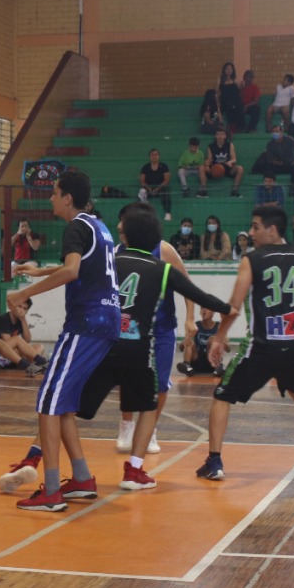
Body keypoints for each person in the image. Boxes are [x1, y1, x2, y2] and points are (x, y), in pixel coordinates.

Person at [79, 205, 234, 491]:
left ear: (126, 232)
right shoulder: (155, 268)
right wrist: (228, 309)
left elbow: (78, 277)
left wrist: (188, 319)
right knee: (147, 394)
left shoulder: (118, 260)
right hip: (140, 340)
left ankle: (55, 464)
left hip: (128, 335)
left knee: (73, 405)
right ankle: (132, 454)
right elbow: (197, 293)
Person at [5, 170, 120, 512]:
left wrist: (24, 292)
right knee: (63, 403)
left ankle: (52, 491)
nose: (51, 199)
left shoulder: (75, 227)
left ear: (68, 198)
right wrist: (41, 271)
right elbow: (81, 265)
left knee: (47, 402)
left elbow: (72, 272)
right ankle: (82, 479)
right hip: (107, 319)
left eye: (55, 193)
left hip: (87, 321)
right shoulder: (98, 226)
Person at [196, 204, 294, 481]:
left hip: (263, 345)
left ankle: (214, 461)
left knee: (222, 395)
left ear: (272, 230)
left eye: (256, 227)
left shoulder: (252, 259)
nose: (251, 232)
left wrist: (218, 338)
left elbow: (234, 306)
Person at [0, 297, 47, 371]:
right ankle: (36, 363)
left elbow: (27, 340)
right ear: (13, 306)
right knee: (17, 339)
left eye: (24, 308)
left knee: (39, 347)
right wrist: (25, 354)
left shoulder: (20, 320)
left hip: (13, 355)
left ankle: (32, 365)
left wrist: (23, 320)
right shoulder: (2, 319)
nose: (21, 310)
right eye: (19, 306)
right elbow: (8, 345)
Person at [179, 306, 223, 376]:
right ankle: (187, 365)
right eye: (202, 308)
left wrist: (221, 340)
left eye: (206, 308)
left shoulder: (218, 326)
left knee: (212, 340)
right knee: (190, 341)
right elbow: (181, 348)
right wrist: (185, 341)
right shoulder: (195, 326)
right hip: (196, 360)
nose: (204, 311)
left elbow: (228, 349)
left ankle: (218, 368)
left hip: (211, 362)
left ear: (213, 312)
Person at [204, 127, 245, 197]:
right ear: (215, 136)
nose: (220, 136)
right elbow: (209, 159)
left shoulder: (230, 145)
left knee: (240, 168)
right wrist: (207, 163)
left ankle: (234, 191)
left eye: (222, 134)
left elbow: (234, 159)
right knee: (202, 167)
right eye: (218, 134)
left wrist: (231, 162)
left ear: (225, 136)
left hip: (227, 167)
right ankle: (203, 191)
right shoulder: (210, 146)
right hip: (215, 168)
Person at [138, 147, 173, 221]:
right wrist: (148, 187)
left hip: (160, 188)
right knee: (141, 192)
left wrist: (158, 188)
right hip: (149, 189)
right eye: (152, 155)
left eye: (156, 154)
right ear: (149, 156)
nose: (154, 156)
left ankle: (168, 214)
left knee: (165, 193)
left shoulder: (164, 166)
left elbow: (166, 180)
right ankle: (145, 209)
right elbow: (142, 181)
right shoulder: (145, 167)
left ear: (159, 156)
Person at [218, 62, 242, 133]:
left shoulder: (236, 79)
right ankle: (232, 128)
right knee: (231, 106)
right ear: (224, 70)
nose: (229, 70)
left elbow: (240, 90)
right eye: (227, 69)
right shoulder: (220, 79)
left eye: (230, 69)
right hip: (224, 101)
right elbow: (217, 92)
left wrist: (236, 82)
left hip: (235, 101)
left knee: (237, 106)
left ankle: (239, 127)